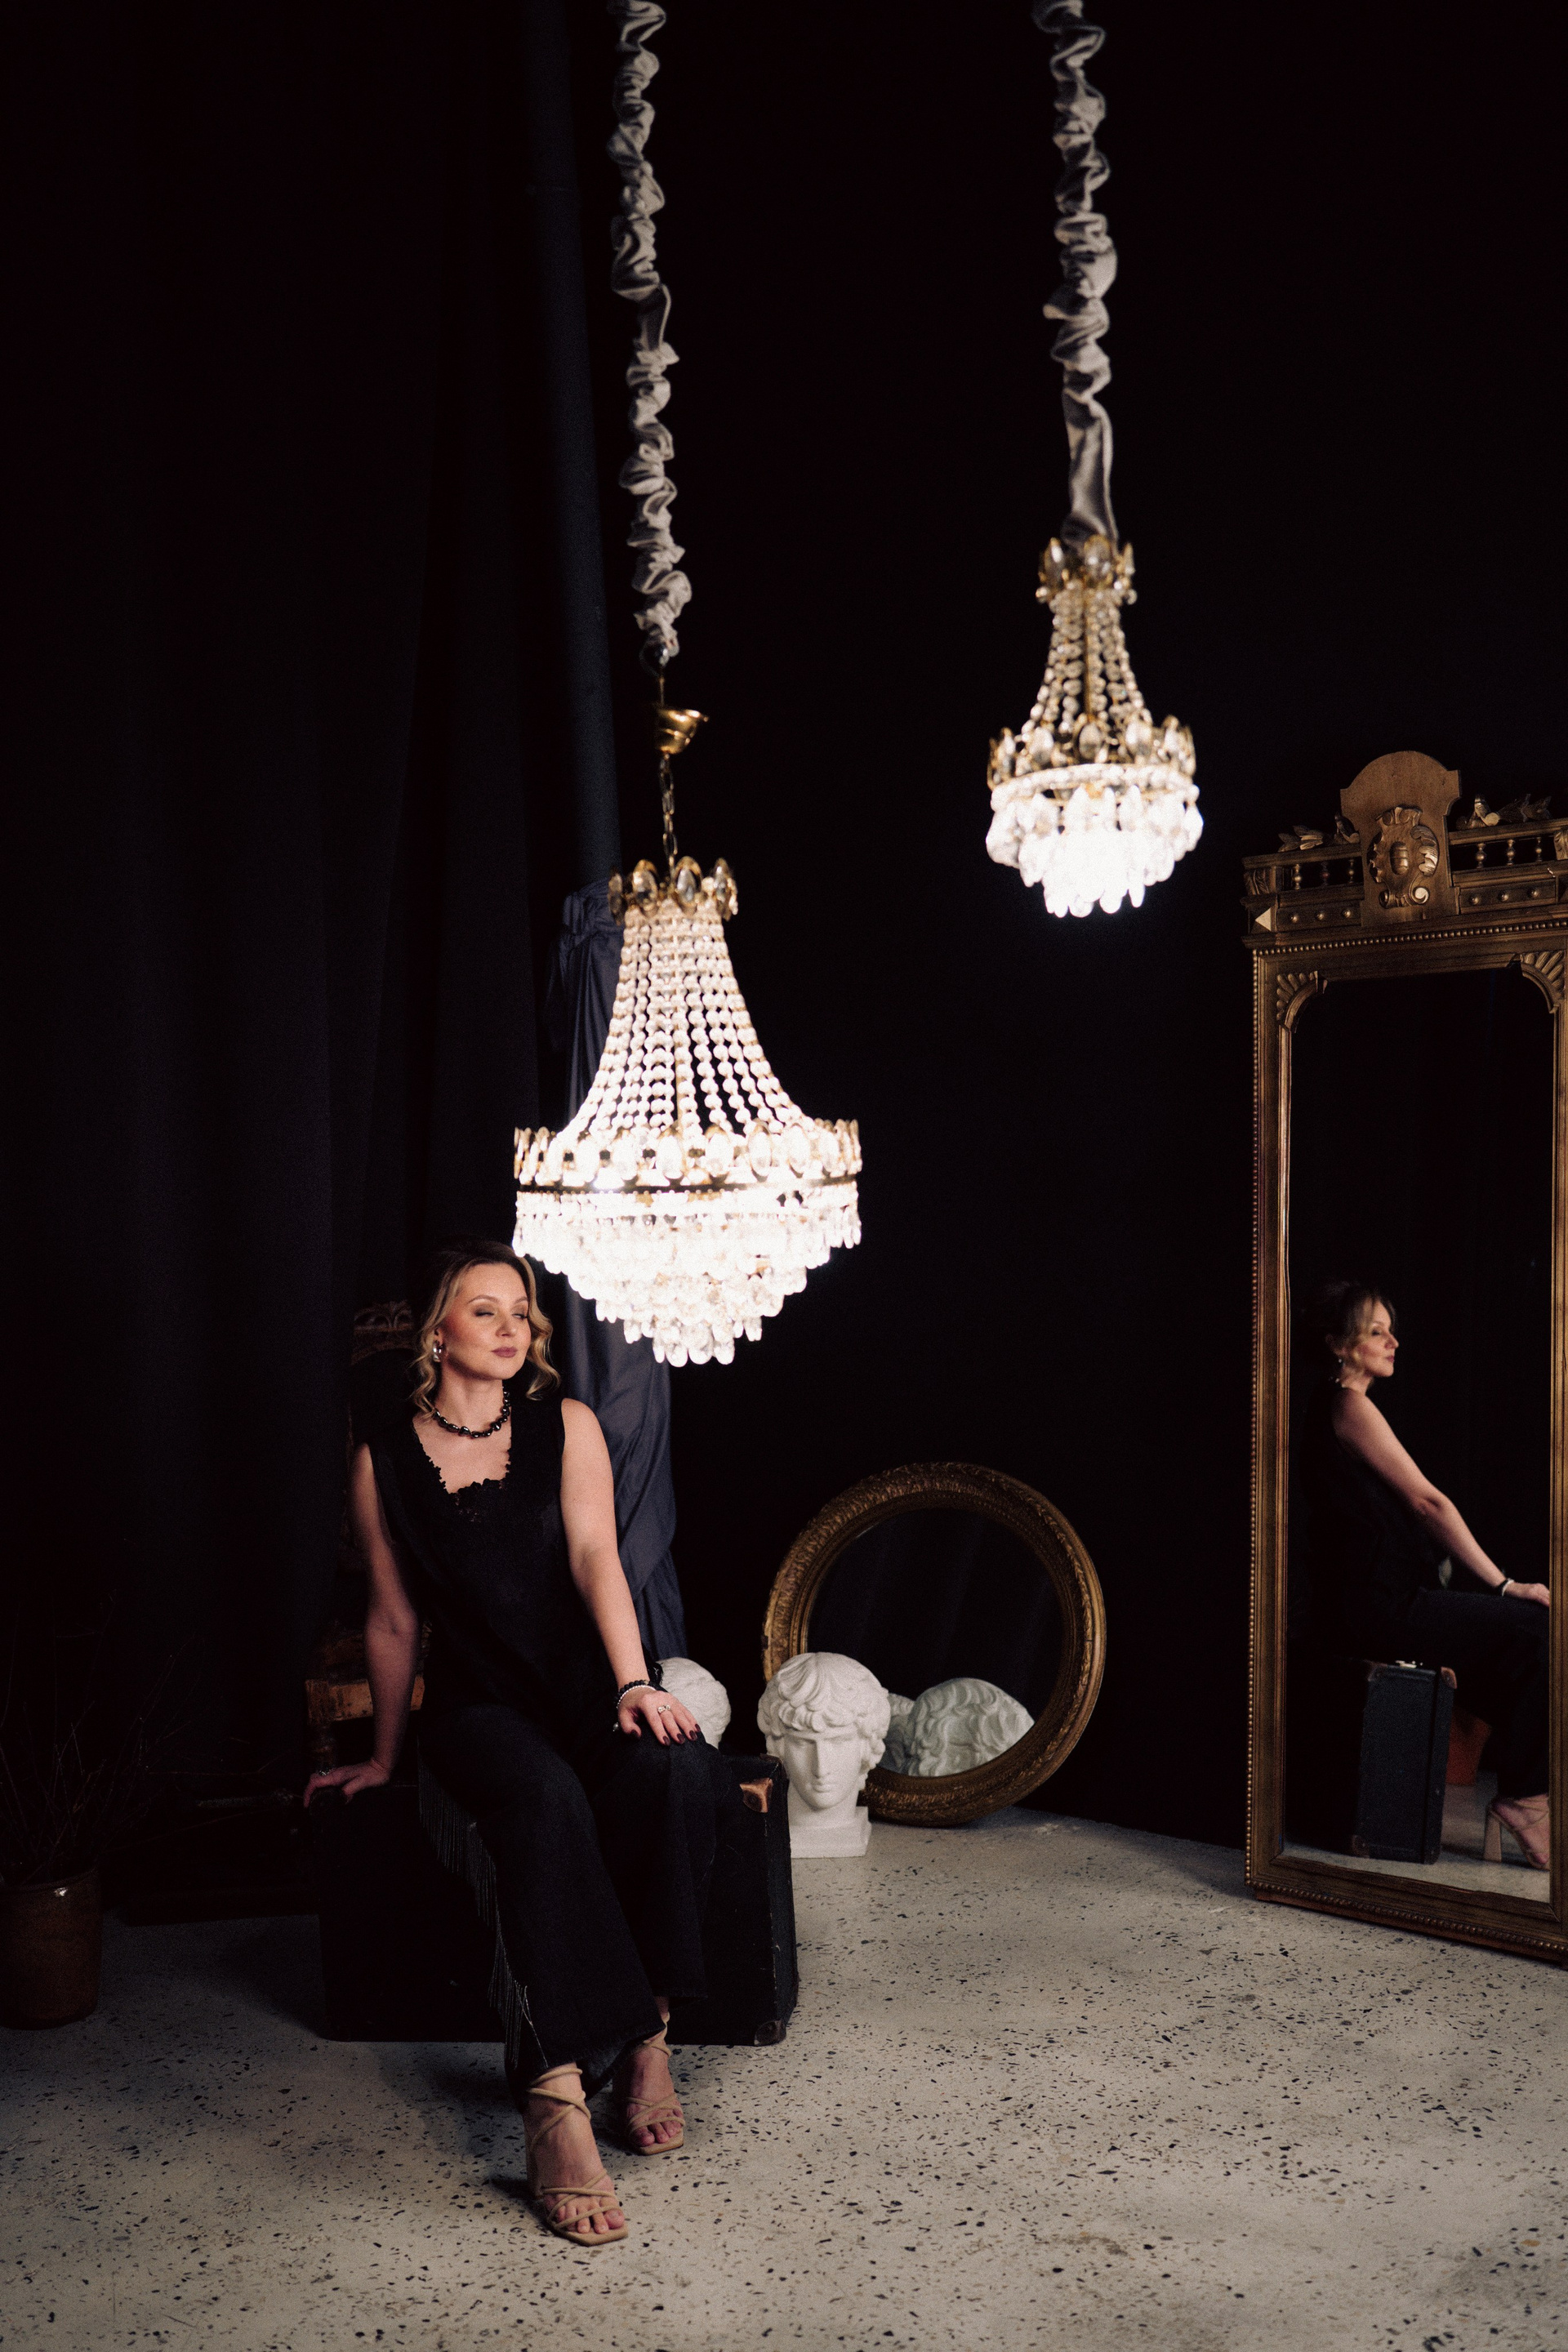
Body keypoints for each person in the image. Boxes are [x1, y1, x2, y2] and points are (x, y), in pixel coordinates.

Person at [305, 1238, 736, 2249]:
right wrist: (387, 1757)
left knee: (675, 1769)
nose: (513, 1329)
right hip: (479, 1711)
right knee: (543, 1800)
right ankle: (553, 2098)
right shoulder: (383, 1464)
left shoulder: (565, 1425)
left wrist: (635, 1682)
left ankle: (648, 2035)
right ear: (437, 1331)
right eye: (486, 1310)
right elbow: (393, 1620)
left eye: (522, 1312)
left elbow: (596, 1558)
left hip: (584, 1689)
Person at [1298, 1279, 1550, 1870]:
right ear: (1339, 1344)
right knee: (1535, 1629)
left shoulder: (1337, 1408)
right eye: (1376, 1332)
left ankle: (1533, 1794)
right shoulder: (1348, 1406)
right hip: (1376, 1606)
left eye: (1392, 1330)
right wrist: (1505, 1585)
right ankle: (1527, 1800)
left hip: (1382, 1598)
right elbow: (1428, 1503)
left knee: (1525, 1654)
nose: (1394, 1342)